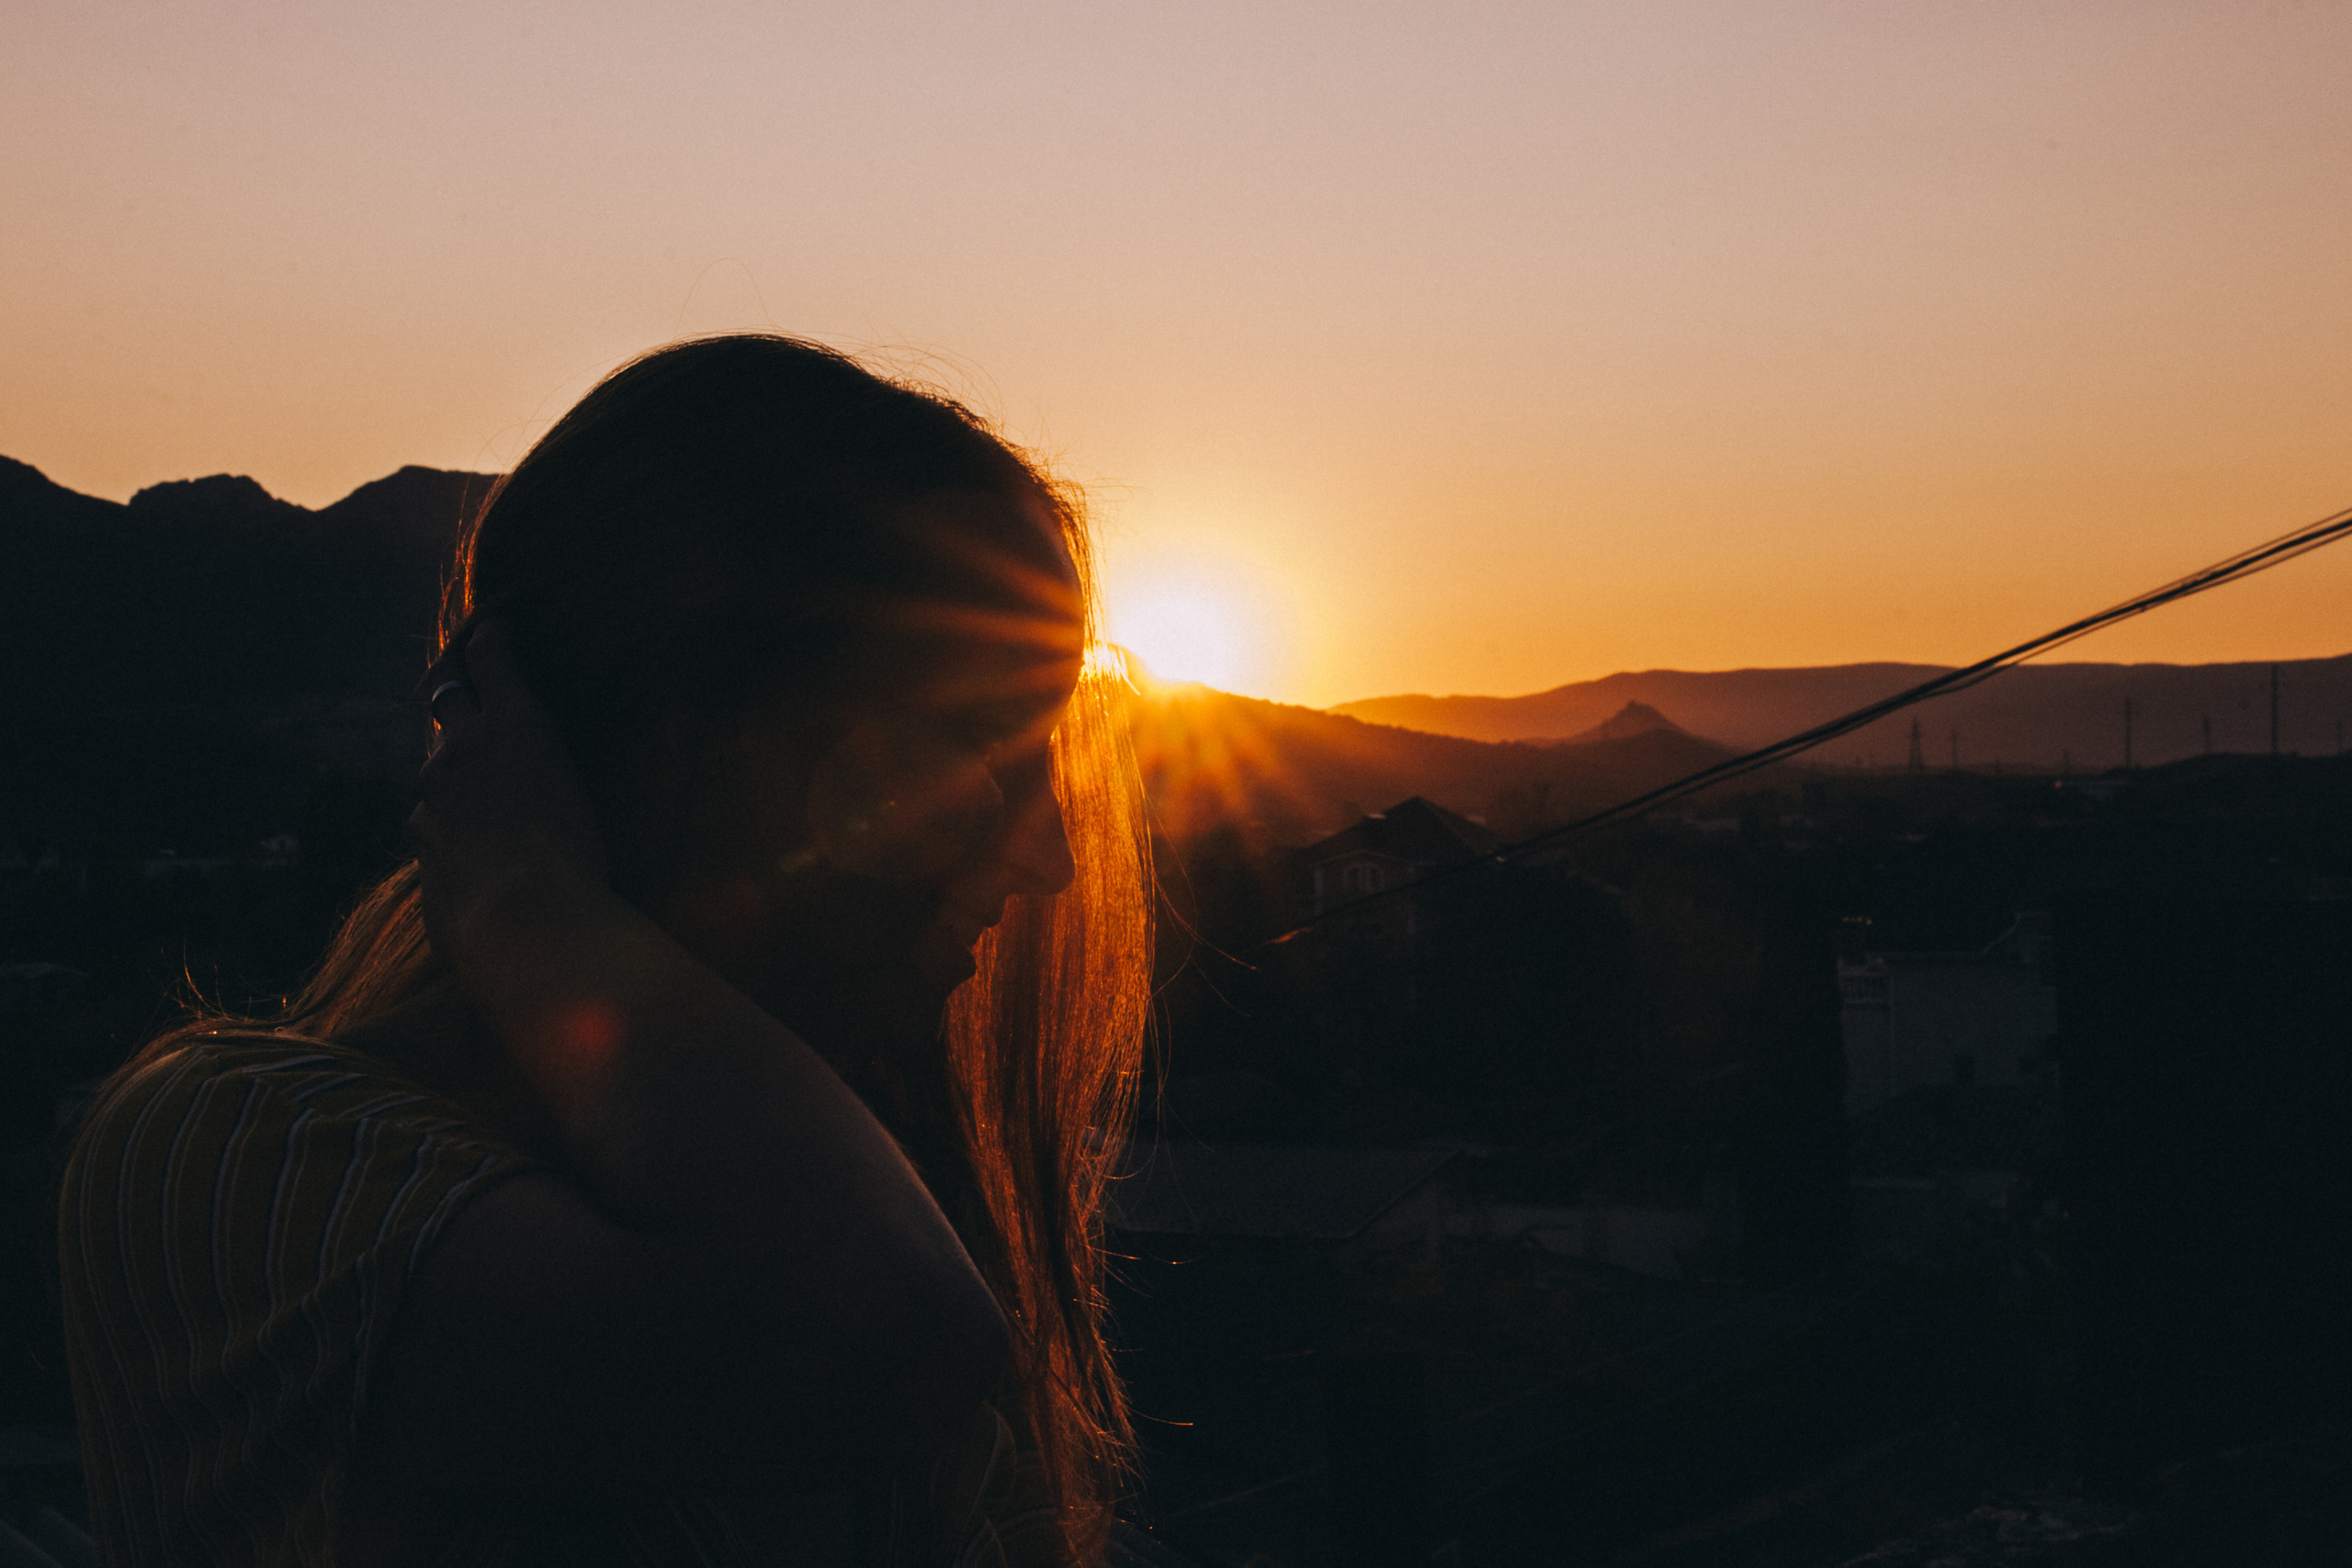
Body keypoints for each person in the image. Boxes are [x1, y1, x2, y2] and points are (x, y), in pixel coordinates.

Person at [56, 334, 1159, 1567]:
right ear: (672, 735)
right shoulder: (225, 1157)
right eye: (963, 741)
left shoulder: (875, 1188)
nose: (1047, 858)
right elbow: (876, 1341)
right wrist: (527, 906)